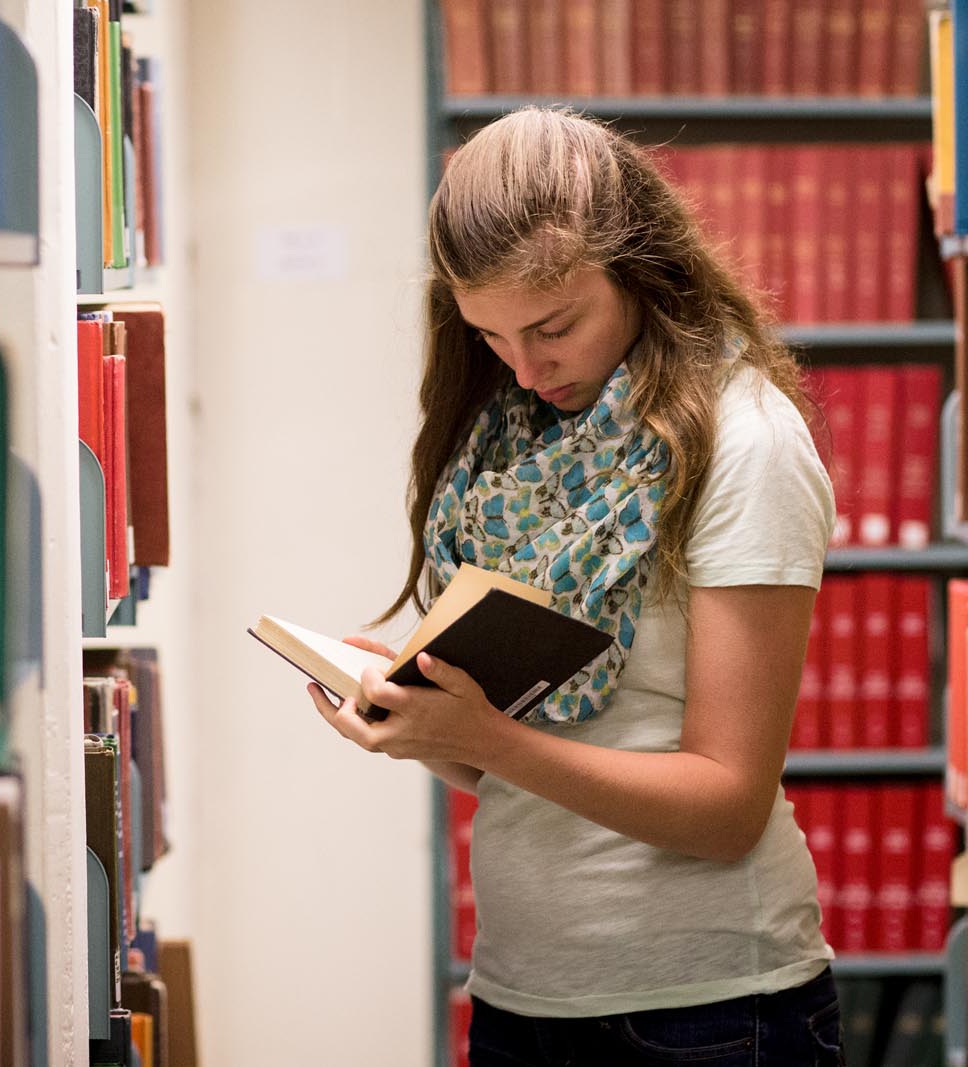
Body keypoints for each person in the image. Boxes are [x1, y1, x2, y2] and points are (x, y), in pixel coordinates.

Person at [306, 107, 843, 1066]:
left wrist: (484, 735)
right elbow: (521, 768)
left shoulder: (746, 440)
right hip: (520, 992)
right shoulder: (512, 446)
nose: (524, 366)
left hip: (710, 1010)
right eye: (492, 335)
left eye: (553, 327)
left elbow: (727, 807)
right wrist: (424, 722)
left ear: (641, 271)